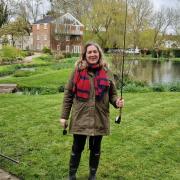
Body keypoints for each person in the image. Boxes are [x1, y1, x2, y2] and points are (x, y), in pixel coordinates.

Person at [60, 42, 124, 180]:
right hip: (80, 117)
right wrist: (64, 116)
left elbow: (112, 94)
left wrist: (116, 102)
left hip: (99, 117)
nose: (92, 54)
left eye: (95, 52)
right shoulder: (77, 71)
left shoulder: (107, 72)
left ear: (99, 54)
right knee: (77, 148)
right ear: (85, 55)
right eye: (89, 52)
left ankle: (92, 175)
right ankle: (72, 175)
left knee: (96, 150)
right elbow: (68, 94)